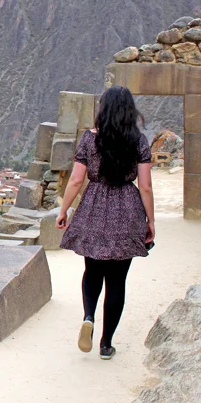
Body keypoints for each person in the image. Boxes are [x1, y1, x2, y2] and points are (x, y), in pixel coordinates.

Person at [56, 85, 155, 360]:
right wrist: (151, 221)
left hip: (93, 207)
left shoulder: (90, 139)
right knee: (117, 281)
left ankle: (88, 316)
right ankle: (106, 344)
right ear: (130, 111)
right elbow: (145, 186)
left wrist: (63, 210)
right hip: (127, 209)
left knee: (92, 271)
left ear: (104, 109)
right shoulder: (139, 141)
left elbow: (76, 179)